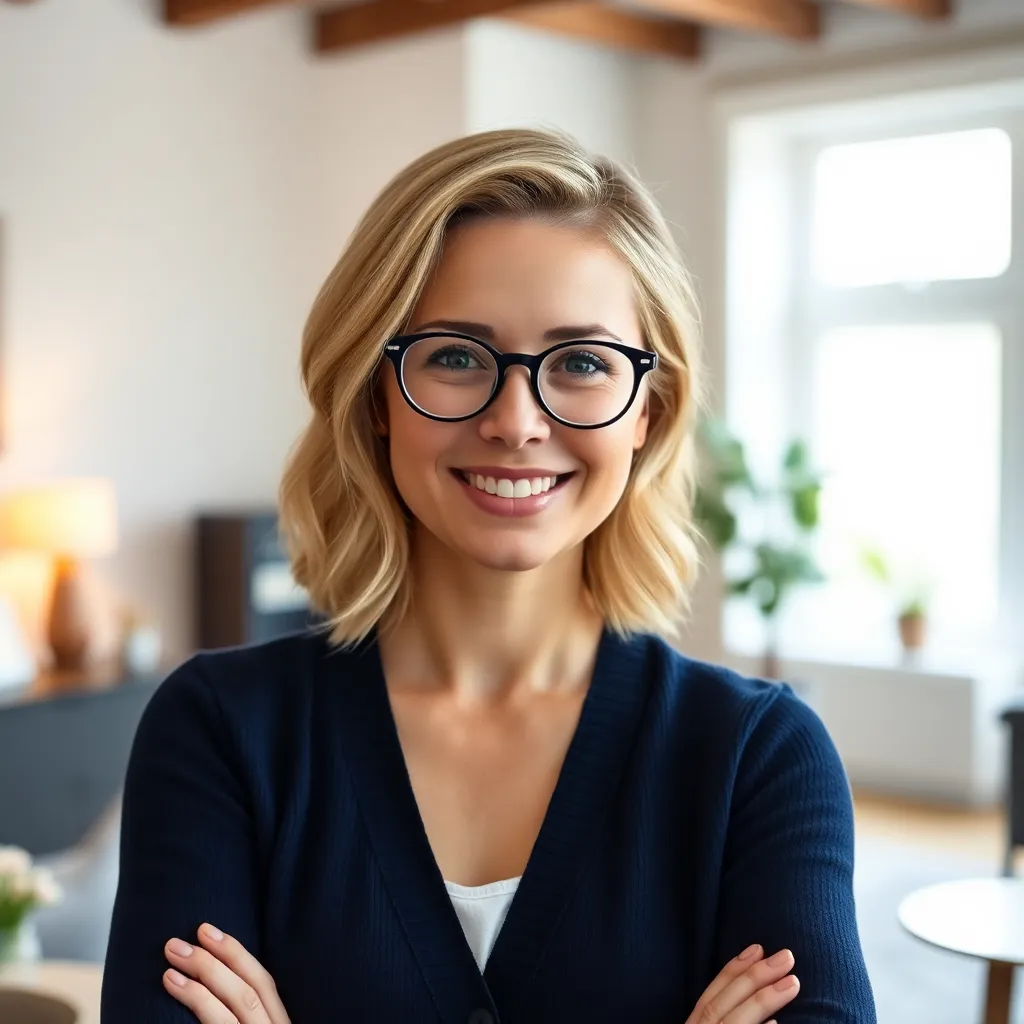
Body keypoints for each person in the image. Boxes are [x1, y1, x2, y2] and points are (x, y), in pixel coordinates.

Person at [100, 128, 876, 1024]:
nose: (516, 422)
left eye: (582, 362)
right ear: (376, 397)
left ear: (647, 414)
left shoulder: (759, 758)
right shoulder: (219, 733)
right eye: (457, 356)